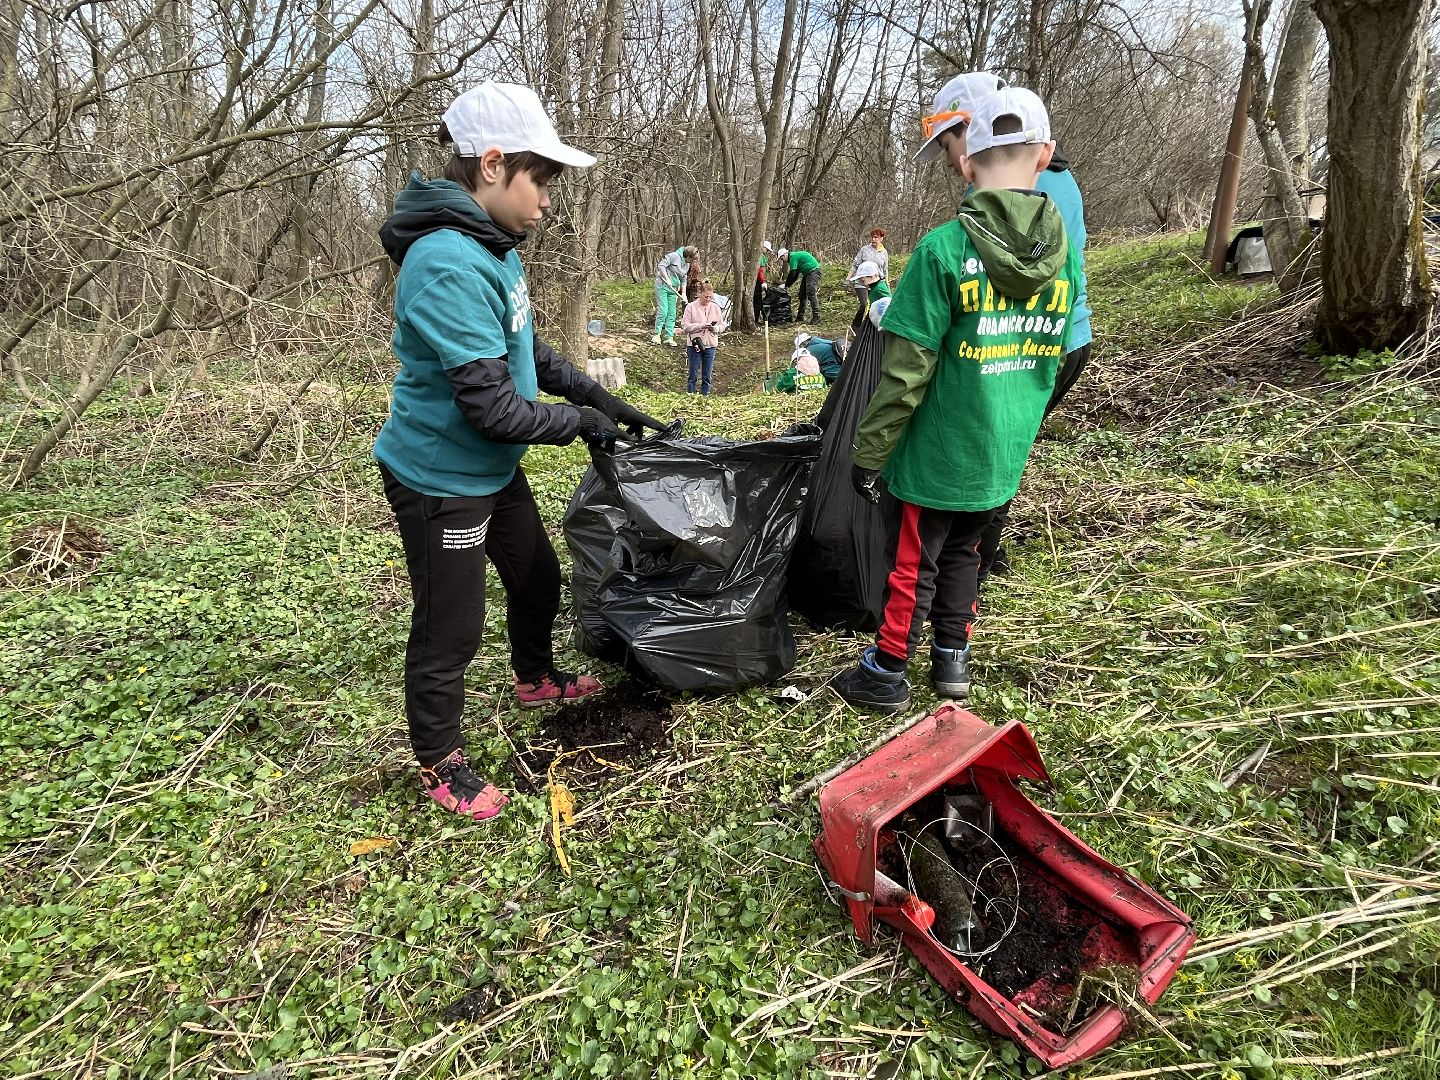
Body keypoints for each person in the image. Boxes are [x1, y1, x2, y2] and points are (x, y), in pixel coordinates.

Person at [374, 81, 668, 820]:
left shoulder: (493, 248)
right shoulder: (445, 260)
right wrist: (578, 425)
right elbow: (495, 408)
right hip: (441, 474)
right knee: (452, 624)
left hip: (486, 468)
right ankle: (439, 761)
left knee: (536, 576)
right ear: (495, 165)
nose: (547, 200)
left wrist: (598, 396)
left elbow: (523, 349)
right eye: (542, 180)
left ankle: (534, 675)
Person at [831, 85, 1082, 713]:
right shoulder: (1066, 260)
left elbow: (906, 369)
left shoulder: (943, 251)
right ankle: (952, 662)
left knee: (913, 560)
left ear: (969, 160)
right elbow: (1049, 362)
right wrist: (1016, 432)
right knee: (969, 551)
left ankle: (887, 670)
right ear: (1045, 153)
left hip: (938, 450)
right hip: (1002, 450)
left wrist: (870, 453)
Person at [681, 277, 724, 395]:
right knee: (693, 373)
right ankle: (691, 394)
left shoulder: (715, 307)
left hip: (711, 344)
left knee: (707, 374)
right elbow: (685, 326)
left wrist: (715, 328)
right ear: (700, 293)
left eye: (710, 297)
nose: (708, 299)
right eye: (706, 297)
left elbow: (722, 326)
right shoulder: (690, 307)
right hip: (694, 344)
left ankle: (705, 395)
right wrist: (700, 326)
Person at [653, 244, 696, 346]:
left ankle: (669, 336)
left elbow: (684, 278)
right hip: (663, 286)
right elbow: (661, 266)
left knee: (672, 313)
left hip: (674, 290)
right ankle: (657, 334)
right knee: (663, 310)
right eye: (692, 259)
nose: (693, 261)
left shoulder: (687, 264)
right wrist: (667, 279)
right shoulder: (673, 256)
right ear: (688, 256)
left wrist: (684, 294)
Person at [846, 227, 890, 307]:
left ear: (881, 238)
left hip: (875, 283)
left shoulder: (884, 252)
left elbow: (885, 270)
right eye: (872, 237)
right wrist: (847, 279)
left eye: (876, 237)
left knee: (874, 305)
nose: (873, 239)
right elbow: (855, 265)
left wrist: (887, 284)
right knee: (865, 304)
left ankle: (863, 319)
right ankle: (862, 319)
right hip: (862, 282)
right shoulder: (864, 250)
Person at [850, 259, 890, 331]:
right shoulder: (873, 288)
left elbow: (889, 304)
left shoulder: (880, 288)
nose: (861, 282)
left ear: (872, 276)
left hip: (878, 323)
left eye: (863, 280)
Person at [783, 248, 822, 322]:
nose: (783, 260)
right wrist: (787, 285)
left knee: (811, 293)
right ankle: (800, 316)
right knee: (802, 294)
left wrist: (786, 285)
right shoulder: (795, 257)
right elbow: (795, 275)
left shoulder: (793, 257)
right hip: (807, 273)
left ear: (785, 254)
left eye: (782, 258)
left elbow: (792, 273)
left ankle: (817, 316)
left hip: (813, 271)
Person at [753, 240, 773, 324]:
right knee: (757, 300)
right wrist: (763, 281)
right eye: (767, 249)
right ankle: (756, 319)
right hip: (756, 281)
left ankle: (759, 318)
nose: (767, 251)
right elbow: (759, 271)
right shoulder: (759, 256)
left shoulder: (762, 257)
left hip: (758, 280)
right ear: (763, 247)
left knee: (758, 300)